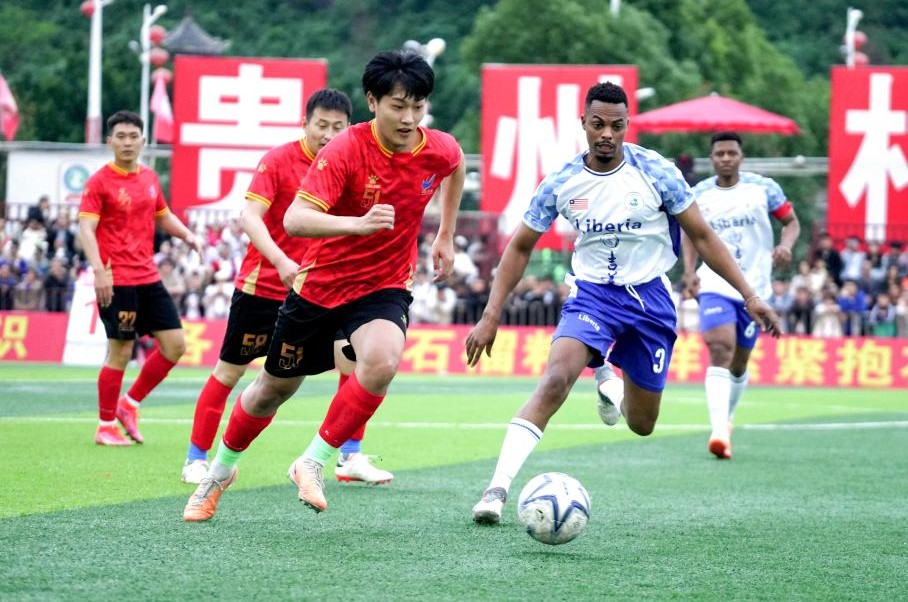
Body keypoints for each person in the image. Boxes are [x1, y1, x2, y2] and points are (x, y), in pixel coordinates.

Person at [465, 84, 781, 525]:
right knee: (555, 380)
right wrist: (490, 315)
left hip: (651, 299)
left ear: (627, 125)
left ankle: (609, 383)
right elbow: (519, 247)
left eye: (616, 126)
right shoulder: (560, 182)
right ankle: (496, 491)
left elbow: (704, 237)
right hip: (593, 295)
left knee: (641, 424)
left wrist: (751, 295)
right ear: (583, 123)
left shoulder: (658, 172)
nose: (607, 134)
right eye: (598, 124)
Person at [183, 50, 465, 521]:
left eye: (418, 107)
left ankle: (313, 460)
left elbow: (455, 168)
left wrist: (446, 234)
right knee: (270, 390)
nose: (409, 118)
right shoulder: (345, 150)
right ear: (373, 102)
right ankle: (220, 470)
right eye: (398, 106)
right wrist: (358, 224)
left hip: (383, 285)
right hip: (320, 287)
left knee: (382, 361)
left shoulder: (438, 147)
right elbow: (294, 220)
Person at [180, 90, 390, 487]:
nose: (328, 134)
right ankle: (196, 458)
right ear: (304, 123)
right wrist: (280, 261)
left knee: (355, 365)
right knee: (231, 372)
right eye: (321, 125)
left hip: (324, 289)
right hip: (265, 288)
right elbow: (250, 217)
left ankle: (349, 456)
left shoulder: (351, 163)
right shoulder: (278, 160)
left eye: (338, 127)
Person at [78, 111, 203, 446]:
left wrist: (188, 235)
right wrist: (99, 271)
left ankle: (129, 404)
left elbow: (163, 215)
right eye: (120, 136)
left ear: (143, 141)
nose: (127, 142)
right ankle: (105, 425)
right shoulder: (99, 182)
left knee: (176, 345)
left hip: (148, 277)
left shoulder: (149, 177)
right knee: (120, 351)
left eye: (133, 136)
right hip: (116, 280)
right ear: (110, 141)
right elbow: (86, 229)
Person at [682, 131, 800, 459]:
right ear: (711, 158)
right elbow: (690, 234)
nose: (725, 158)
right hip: (715, 284)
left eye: (731, 153)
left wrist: (786, 246)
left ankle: (727, 419)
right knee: (720, 347)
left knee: (738, 363)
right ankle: (719, 431)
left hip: (755, 287)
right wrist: (689, 271)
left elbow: (791, 222)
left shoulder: (764, 189)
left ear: (741, 157)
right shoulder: (699, 194)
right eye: (719, 154)